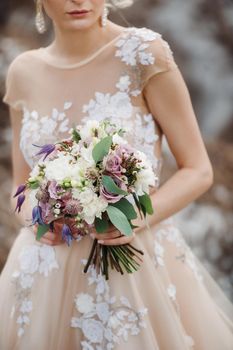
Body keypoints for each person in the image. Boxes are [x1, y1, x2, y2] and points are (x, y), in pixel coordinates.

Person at [0, 0, 233, 349]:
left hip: (132, 264)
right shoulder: (22, 71)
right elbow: (20, 186)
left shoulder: (143, 53)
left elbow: (198, 170)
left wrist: (136, 217)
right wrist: (37, 218)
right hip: (43, 268)